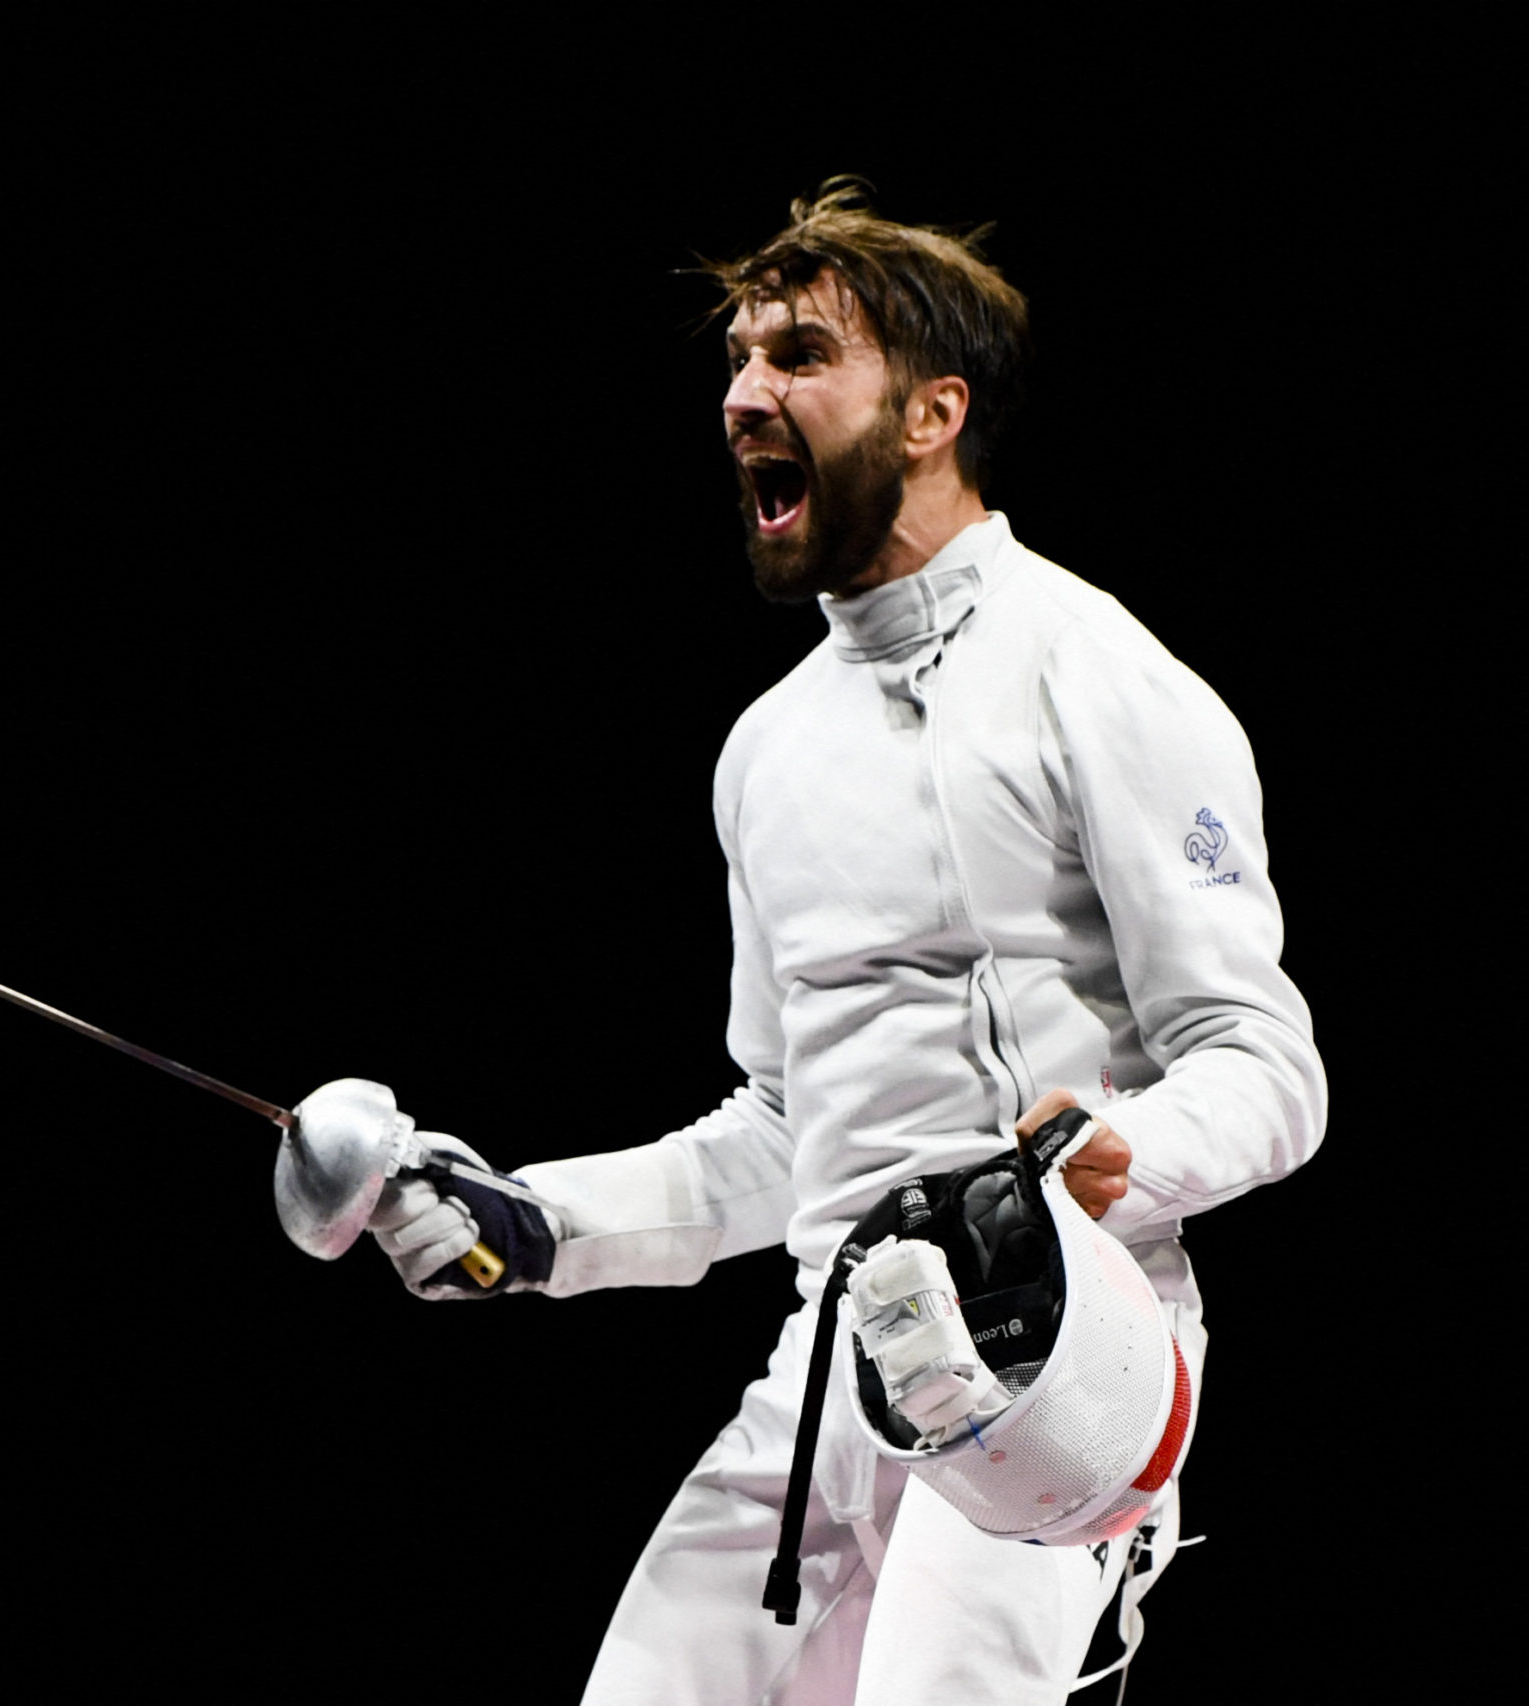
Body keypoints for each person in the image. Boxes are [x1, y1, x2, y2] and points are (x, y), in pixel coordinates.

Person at [340, 181, 1325, 1703]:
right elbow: (785, 1133)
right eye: (740, 359)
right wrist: (538, 1222)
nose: (745, 395)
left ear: (934, 413)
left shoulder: (1098, 675)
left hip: (1063, 1340)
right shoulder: (766, 750)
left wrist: (1129, 1149)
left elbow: (1266, 1063)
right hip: (839, 1357)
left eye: (799, 355)